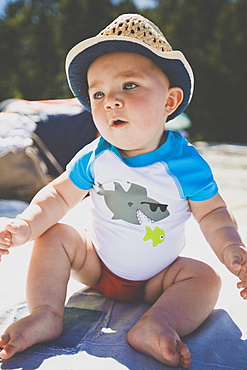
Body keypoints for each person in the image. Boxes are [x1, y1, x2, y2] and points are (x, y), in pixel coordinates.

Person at [0, 14, 246, 368]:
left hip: (158, 278)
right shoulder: (96, 154)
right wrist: (25, 225)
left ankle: (157, 323)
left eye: (129, 86)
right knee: (54, 236)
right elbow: (58, 195)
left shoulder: (185, 163)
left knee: (204, 278)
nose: (110, 101)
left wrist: (232, 249)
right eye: (97, 93)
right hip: (96, 265)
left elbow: (212, 213)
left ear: (169, 102)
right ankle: (46, 313)